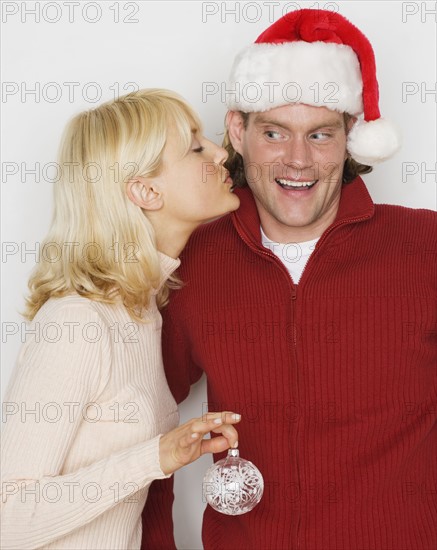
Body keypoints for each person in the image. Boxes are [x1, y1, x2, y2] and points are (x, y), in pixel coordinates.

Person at [141, 10, 437, 550]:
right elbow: (142, 425)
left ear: (351, 136)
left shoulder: (426, 246)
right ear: (238, 130)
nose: (297, 160)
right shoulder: (192, 260)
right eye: (274, 132)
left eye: (320, 134)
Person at [0, 89, 242, 550]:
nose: (219, 151)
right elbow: (7, 518)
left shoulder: (142, 309)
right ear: (146, 191)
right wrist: (158, 455)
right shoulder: (77, 322)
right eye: (195, 147)